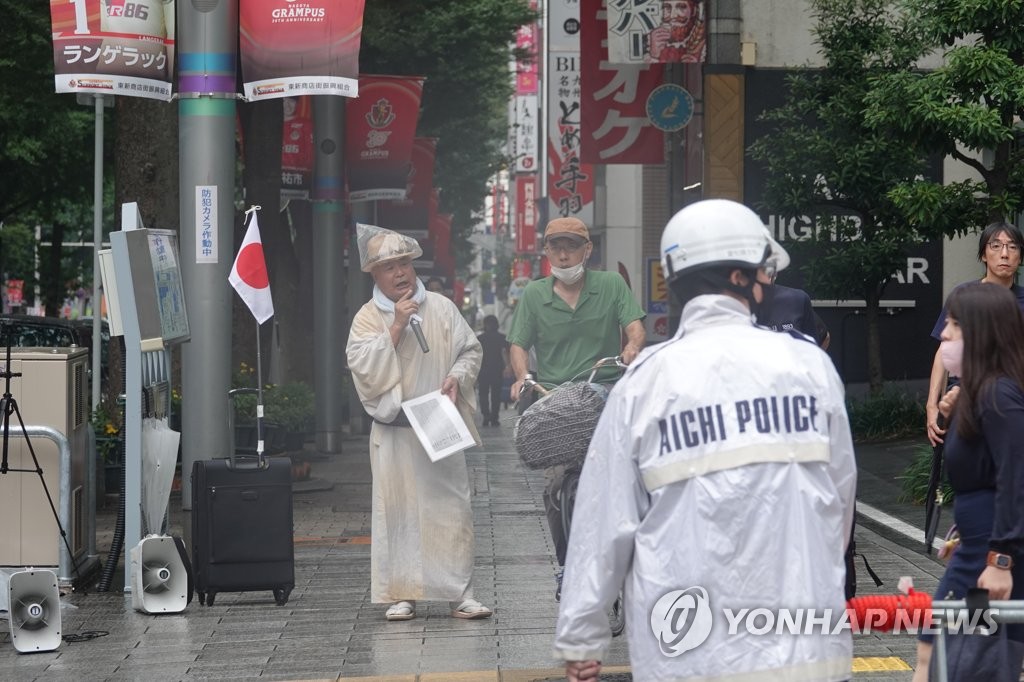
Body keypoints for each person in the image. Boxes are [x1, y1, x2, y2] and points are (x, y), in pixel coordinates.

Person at [554, 199, 856, 681]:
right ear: (741, 277)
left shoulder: (645, 383)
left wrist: (581, 636)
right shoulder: (808, 368)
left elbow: (603, 521)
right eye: (759, 271)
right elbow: (840, 506)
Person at [345, 225, 492, 622]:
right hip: (395, 427)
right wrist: (394, 327)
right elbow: (362, 367)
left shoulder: (442, 308)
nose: (400, 274)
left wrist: (457, 377)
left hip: (436, 418)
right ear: (374, 274)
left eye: (405, 264)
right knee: (399, 511)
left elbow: (470, 350)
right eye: (389, 267)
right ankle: (402, 593)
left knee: (451, 508)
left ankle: (460, 593)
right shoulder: (366, 318)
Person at [507, 216, 646, 567]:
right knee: (555, 487)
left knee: (629, 476)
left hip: (604, 390)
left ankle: (632, 554)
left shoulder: (612, 284)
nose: (564, 254)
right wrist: (522, 375)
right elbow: (518, 344)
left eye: (572, 246)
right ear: (546, 251)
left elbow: (635, 328)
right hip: (554, 399)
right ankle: (566, 567)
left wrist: (631, 349)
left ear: (588, 249)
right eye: (556, 246)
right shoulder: (534, 294)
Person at [912, 282, 1024, 681]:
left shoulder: (999, 396)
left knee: (969, 658)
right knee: (940, 649)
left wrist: (1000, 559)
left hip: (987, 566)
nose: (943, 333)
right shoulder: (979, 394)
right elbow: (985, 474)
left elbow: (1015, 478)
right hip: (974, 554)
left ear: (981, 333)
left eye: (954, 326)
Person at [926, 222, 1024, 446]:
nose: (1005, 254)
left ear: (1020, 256)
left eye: (1013, 247)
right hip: (965, 394)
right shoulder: (964, 296)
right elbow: (944, 350)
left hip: (1013, 398)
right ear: (983, 255)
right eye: (996, 246)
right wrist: (932, 405)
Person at [477, 315, 509, 427]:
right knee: (496, 395)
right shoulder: (502, 337)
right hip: (497, 370)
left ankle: (486, 416)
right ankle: (494, 418)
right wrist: (508, 366)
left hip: (483, 370)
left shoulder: (480, 338)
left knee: (483, 395)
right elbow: (506, 353)